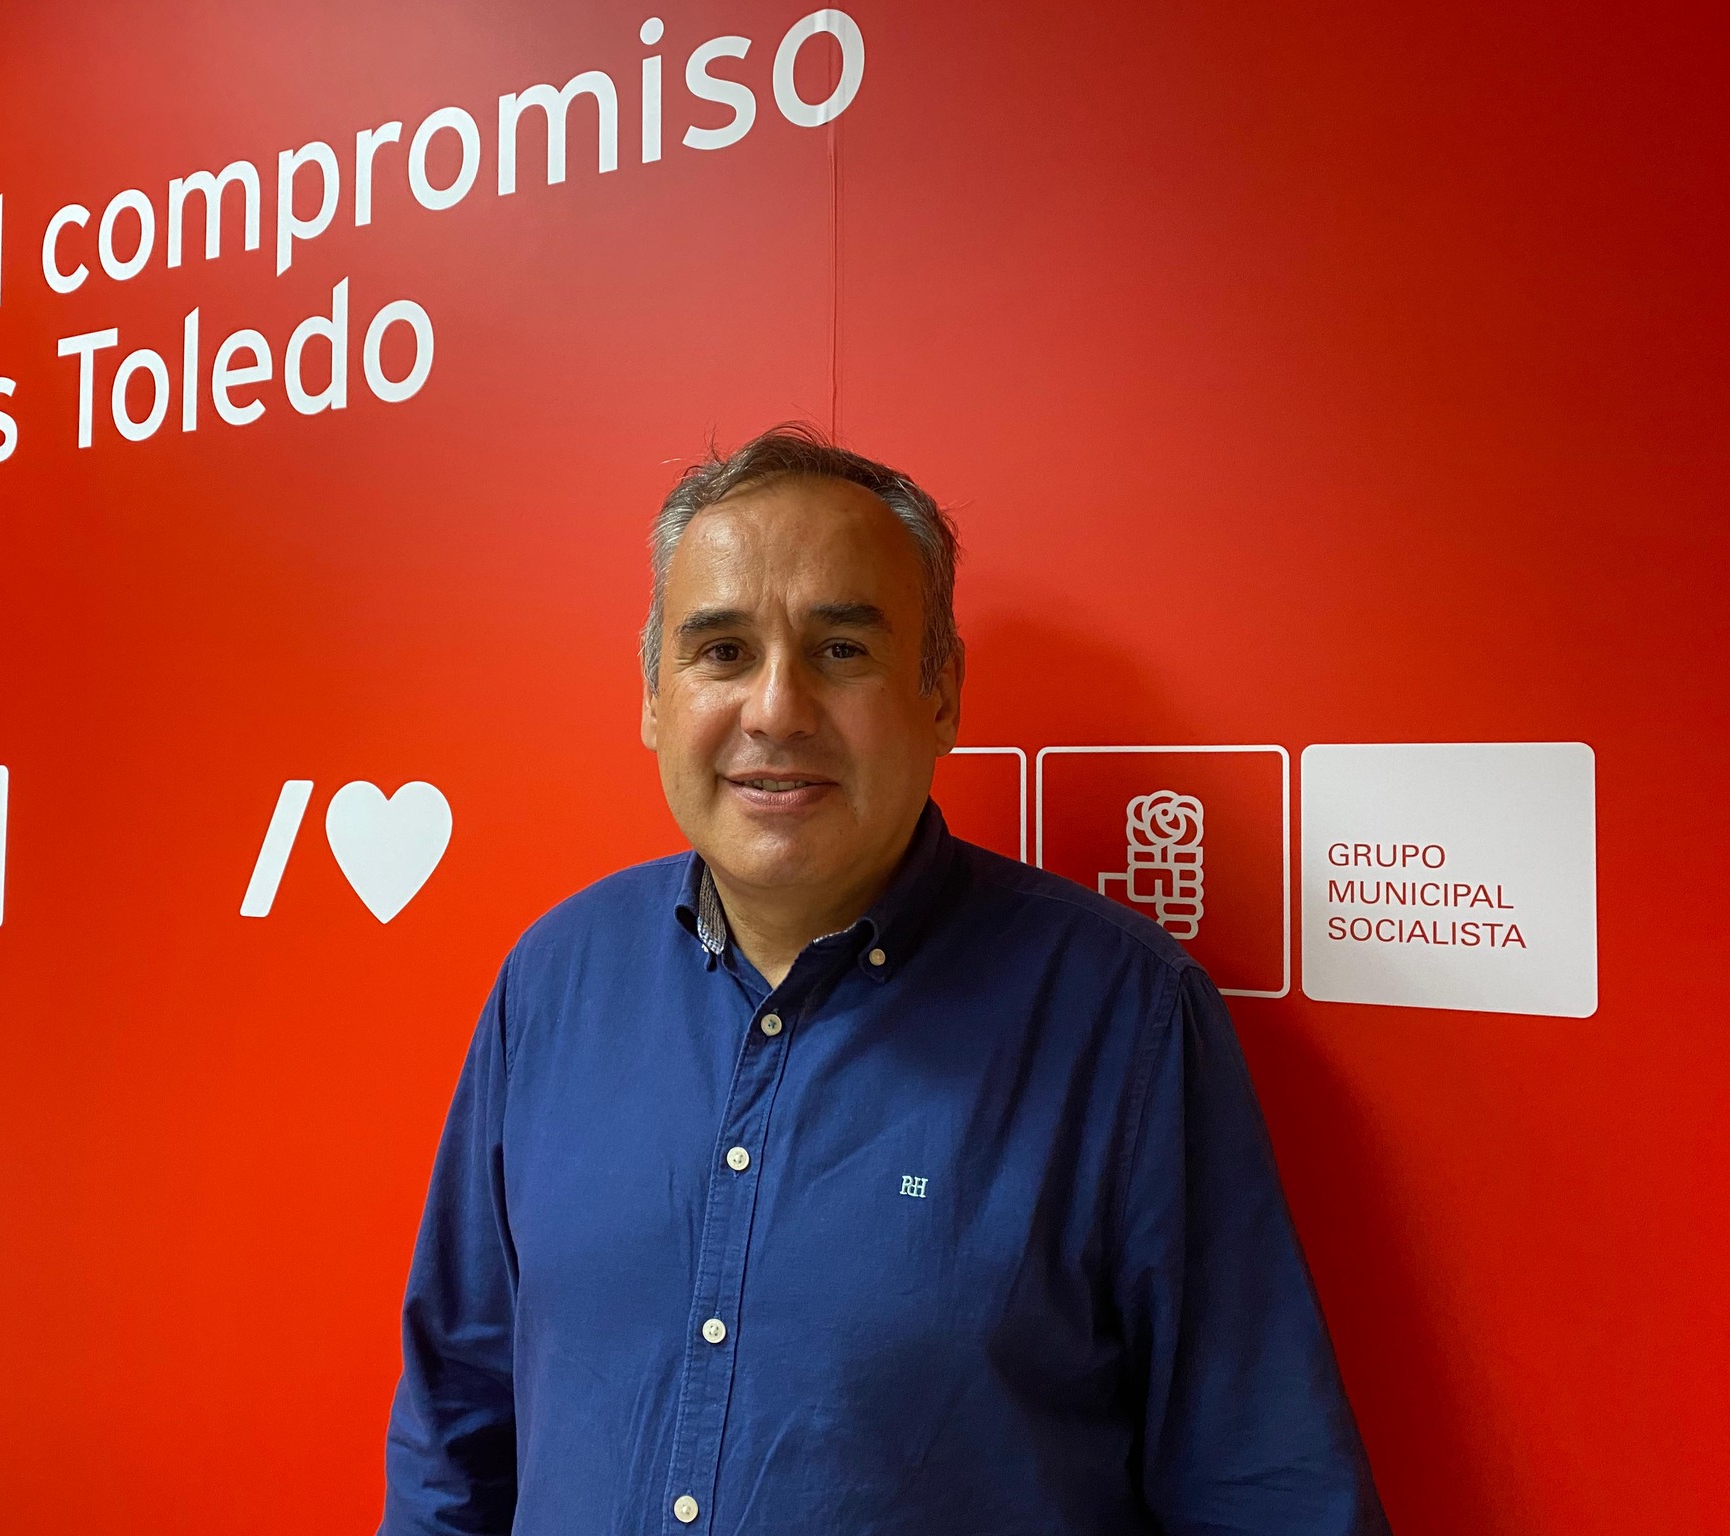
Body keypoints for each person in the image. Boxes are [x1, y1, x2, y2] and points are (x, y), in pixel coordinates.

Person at [381, 425, 1388, 1534]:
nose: (775, 708)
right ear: (653, 697)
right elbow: (454, 1429)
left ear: (940, 693)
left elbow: (1263, 1489)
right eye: (722, 651)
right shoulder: (553, 983)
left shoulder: (1122, 1019)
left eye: (840, 650)